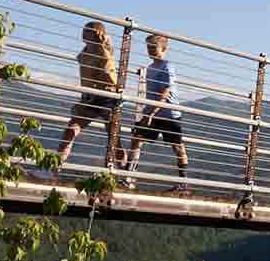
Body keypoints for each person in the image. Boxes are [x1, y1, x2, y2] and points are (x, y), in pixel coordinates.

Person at [120, 34, 189, 194]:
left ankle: (183, 184)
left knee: (177, 147)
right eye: (148, 47)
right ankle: (129, 178)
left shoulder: (167, 66)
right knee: (137, 140)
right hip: (152, 111)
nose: (150, 50)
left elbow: (163, 94)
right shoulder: (151, 67)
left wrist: (150, 114)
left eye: (153, 47)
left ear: (163, 48)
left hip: (168, 113)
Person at [57, 21, 119, 172]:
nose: (84, 33)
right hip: (90, 98)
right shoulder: (85, 52)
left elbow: (112, 79)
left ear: (97, 34)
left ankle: (126, 175)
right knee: (71, 130)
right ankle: (53, 169)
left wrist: (101, 45)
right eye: (84, 30)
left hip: (106, 98)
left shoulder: (104, 53)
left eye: (88, 31)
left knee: (114, 140)